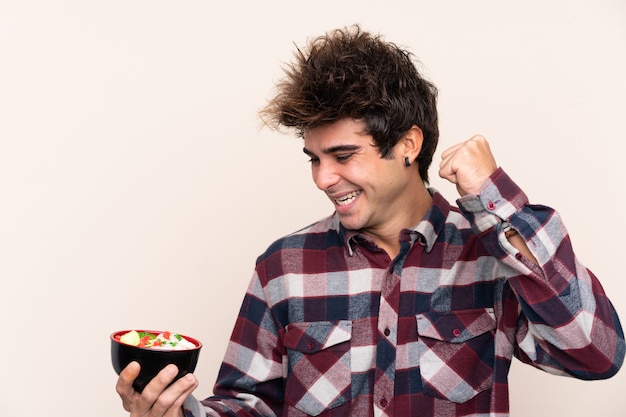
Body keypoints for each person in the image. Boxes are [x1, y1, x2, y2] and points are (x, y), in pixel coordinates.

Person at [116, 25, 625, 417]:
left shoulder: (489, 256)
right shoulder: (284, 266)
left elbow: (596, 353)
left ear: (408, 144)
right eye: (314, 158)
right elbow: (250, 407)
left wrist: (494, 198)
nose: (323, 178)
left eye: (342, 154)